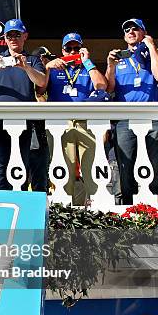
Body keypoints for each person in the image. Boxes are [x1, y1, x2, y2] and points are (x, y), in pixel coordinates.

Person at [0, 19, 47, 191]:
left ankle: (19, 205)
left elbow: (41, 82)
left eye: (17, 34)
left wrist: (26, 67)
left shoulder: (33, 59)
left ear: (25, 36)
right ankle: (0, 207)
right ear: (5, 38)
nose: (13, 38)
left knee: (22, 164)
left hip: (24, 121)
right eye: (10, 35)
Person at [105, 18, 158, 205]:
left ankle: (154, 207)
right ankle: (128, 207)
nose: (130, 32)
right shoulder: (119, 58)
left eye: (135, 29)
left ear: (144, 32)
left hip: (152, 118)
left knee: (153, 165)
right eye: (127, 29)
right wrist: (110, 65)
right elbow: (109, 89)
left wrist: (150, 46)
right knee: (126, 166)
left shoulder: (154, 54)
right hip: (125, 120)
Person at [45, 33, 108, 205]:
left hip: (85, 122)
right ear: (62, 50)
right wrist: (48, 67)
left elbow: (102, 86)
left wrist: (87, 61)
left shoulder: (88, 67)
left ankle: (98, 213)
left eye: (76, 48)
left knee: (91, 170)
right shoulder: (53, 68)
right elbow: (39, 89)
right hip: (60, 124)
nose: (72, 51)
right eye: (68, 48)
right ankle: (63, 215)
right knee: (63, 170)